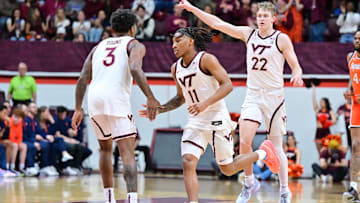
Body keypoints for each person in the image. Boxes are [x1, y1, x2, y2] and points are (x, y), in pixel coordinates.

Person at [176, 1, 303, 202]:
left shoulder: (281, 39)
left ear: (273, 19)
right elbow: (218, 23)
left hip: (274, 97)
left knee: (276, 145)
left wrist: (297, 73)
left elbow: (295, 64)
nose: (260, 19)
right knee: (244, 140)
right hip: (253, 95)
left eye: (264, 16)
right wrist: (192, 9)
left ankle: (284, 190)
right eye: (258, 15)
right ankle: (250, 183)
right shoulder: (248, 34)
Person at [139, 27, 280, 203]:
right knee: (188, 160)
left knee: (227, 169)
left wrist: (204, 103)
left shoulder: (206, 59)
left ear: (191, 41)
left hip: (217, 119)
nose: (173, 46)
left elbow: (227, 85)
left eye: (178, 41)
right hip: (195, 121)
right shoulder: (175, 68)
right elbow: (180, 98)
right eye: (172, 42)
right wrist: (160, 110)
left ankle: (263, 153)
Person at [71, 9, 161, 203]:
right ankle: (132, 199)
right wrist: (151, 97)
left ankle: (109, 198)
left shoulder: (98, 46)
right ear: (133, 27)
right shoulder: (134, 44)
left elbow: (82, 78)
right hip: (116, 98)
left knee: (104, 149)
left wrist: (78, 108)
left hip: (94, 99)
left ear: (112, 28)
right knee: (127, 151)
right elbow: (136, 68)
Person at [343, 30, 360, 202]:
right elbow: (352, 80)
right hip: (356, 106)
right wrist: (349, 91)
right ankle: (354, 186)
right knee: (355, 147)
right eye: (355, 38)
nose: (356, 40)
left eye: (359, 39)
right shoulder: (350, 56)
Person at [312, 85, 337, 154]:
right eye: (320, 102)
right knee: (320, 152)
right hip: (318, 132)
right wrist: (313, 90)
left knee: (327, 151)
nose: (321, 103)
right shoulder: (318, 110)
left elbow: (334, 120)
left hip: (326, 132)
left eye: (322, 102)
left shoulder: (330, 111)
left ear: (326, 103)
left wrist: (326, 122)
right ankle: (321, 163)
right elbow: (314, 101)